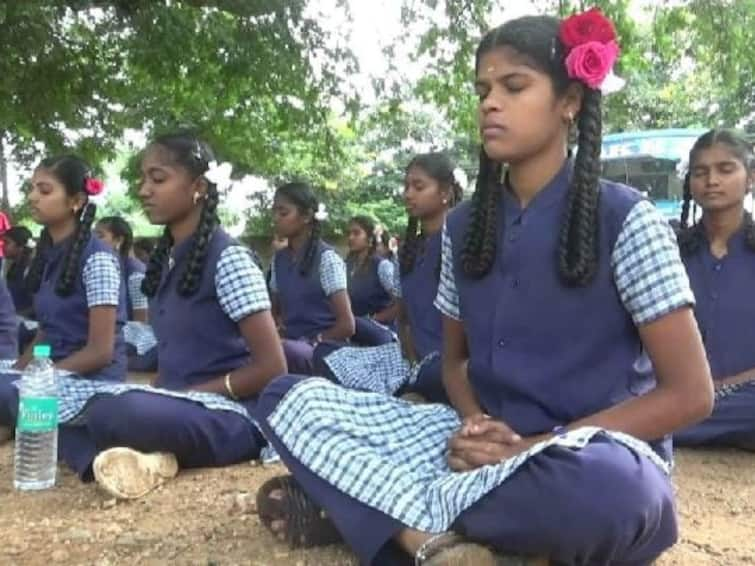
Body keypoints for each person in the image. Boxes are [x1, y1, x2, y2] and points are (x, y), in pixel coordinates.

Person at [252, 11, 713, 564]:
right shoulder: (463, 228)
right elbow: (453, 364)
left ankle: (382, 514)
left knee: (619, 495)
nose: (490, 103)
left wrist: (535, 446)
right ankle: (425, 539)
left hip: (584, 456)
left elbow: (690, 394)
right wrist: (475, 425)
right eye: (483, 90)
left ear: (569, 101)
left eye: (514, 86)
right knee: (286, 398)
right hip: (474, 448)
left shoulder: (626, 218)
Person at [38, 133, 287, 499]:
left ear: (198, 187)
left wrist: (187, 394)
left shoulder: (229, 259)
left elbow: (272, 367)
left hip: (230, 414)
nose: (143, 190)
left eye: (158, 179)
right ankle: (127, 463)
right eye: (142, 179)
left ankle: (122, 454)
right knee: (61, 413)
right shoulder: (170, 259)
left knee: (116, 411)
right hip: (178, 405)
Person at [316, 153, 462, 402]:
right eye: (406, 186)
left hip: (447, 361)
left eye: (418, 187)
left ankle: (411, 392)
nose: (408, 194)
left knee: (434, 376)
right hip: (409, 356)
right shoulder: (408, 251)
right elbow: (404, 315)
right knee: (325, 353)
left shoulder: (461, 244)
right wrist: (409, 350)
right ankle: (403, 390)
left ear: (445, 192)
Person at [0, 155, 127, 439]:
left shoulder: (98, 260)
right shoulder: (48, 257)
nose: (33, 197)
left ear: (77, 201)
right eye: (32, 188)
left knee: (7, 394)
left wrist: (38, 379)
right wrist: (17, 370)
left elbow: (101, 351)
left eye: (44, 191)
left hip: (91, 383)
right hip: (52, 372)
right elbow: (47, 334)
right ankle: (13, 418)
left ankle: (14, 420)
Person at [675, 129, 755, 450]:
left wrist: (723, 387)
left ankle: (671, 426)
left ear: (750, 178)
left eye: (726, 169)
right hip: (676, 391)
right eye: (701, 172)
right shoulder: (671, 251)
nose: (712, 180)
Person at [269, 182, 354, 373]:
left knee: (288, 351)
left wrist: (313, 341)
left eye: (283, 213)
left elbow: (347, 326)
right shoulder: (279, 260)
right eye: (274, 212)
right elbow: (274, 313)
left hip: (327, 350)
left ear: (306, 216)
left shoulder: (327, 259)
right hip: (291, 345)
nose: (276, 218)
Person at [95, 216, 156, 371]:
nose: (94, 241)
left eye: (100, 236)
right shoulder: (109, 266)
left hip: (136, 344)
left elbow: (141, 323)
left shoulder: (135, 274)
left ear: (118, 240)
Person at [344, 215, 397, 346]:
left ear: (369, 238)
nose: (351, 237)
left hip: (379, 331)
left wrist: (374, 319)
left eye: (356, 233)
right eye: (349, 233)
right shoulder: (345, 265)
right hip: (351, 329)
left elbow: (401, 304)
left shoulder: (382, 266)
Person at [2, 226, 35, 316]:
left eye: (7, 243)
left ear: (20, 246)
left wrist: (14, 316)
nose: (3, 246)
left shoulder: (31, 269)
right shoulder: (10, 266)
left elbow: (37, 305)